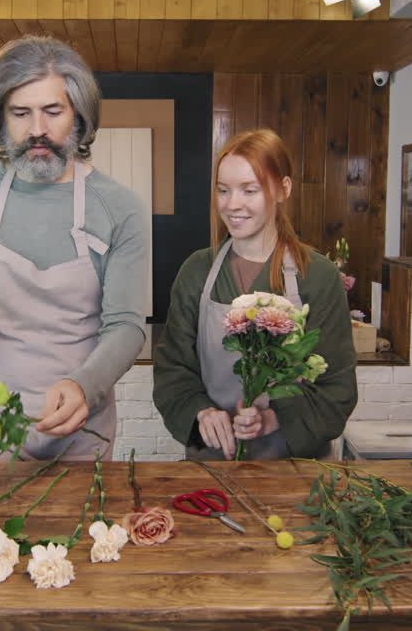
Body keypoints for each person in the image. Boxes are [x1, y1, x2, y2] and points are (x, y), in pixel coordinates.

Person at [0, 36, 149, 461]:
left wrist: (83, 386)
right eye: (21, 113)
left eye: (53, 112)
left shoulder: (120, 206)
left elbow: (127, 326)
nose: (37, 130)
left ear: (79, 115)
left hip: (79, 426)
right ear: (0, 118)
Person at [153, 128, 357, 460]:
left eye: (250, 190)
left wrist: (273, 419)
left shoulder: (318, 276)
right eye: (223, 190)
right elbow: (172, 367)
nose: (233, 204)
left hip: (296, 469)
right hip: (214, 463)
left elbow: (338, 387)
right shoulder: (197, 271)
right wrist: (202, 411)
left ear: (282, 189)